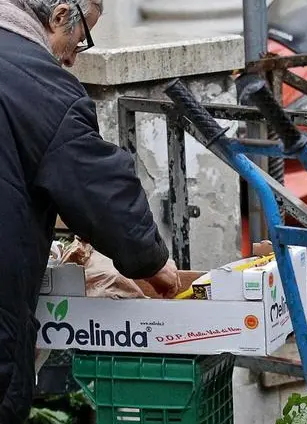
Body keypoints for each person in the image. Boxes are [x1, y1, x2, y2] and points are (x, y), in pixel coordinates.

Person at [0, 0, 180, 421]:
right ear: (60, 14)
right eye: (80, 40)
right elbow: (100, 186)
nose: (71, 59)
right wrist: (153, 261)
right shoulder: (40, 85)